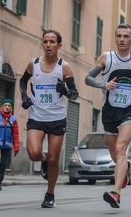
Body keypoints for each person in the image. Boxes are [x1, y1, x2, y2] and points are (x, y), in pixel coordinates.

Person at [85, 23, 131, 209]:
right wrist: (104, 85)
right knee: (115, 156)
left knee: (120, 149)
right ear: (115, 38)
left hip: (129, 110)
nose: (122, 40)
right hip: (109, 110)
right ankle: (125, 168)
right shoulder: (106, 58)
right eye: (119, 36)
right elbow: (88, 78)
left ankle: (116, 193)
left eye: (126, 36)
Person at [19, 30, 78, 208]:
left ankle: (50, 194)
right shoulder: (34, 64)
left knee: (54, 159)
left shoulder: (64, 67)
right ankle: (42, 160)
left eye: (52, 42)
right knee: (34, 153)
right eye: (45, 41)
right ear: (42, 44)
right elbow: (22, 81)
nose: (48, 45)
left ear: (59, 45)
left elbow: (74, 94)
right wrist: (24, 97)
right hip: (37, 116)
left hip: (57, 118)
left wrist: (65, 91)